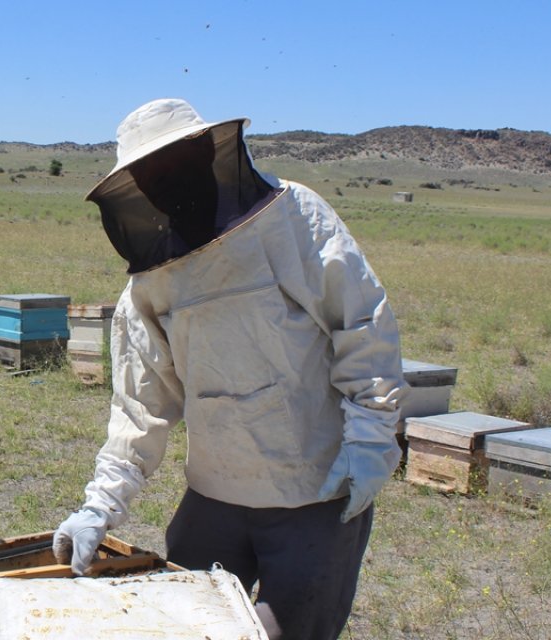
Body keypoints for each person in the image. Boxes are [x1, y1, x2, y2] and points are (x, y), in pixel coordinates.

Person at [52, 99, 404, 640]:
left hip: (313, 491)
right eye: (151, 175)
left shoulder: (295, 220)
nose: (165, 183)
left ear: (207, 153)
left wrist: (370, 442)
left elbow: (363, 329)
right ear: (136, 188)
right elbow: (139, 405)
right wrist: (99, 507)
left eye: (175, 164)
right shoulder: (151, 281)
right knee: (185, 627)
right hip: (214, 494)